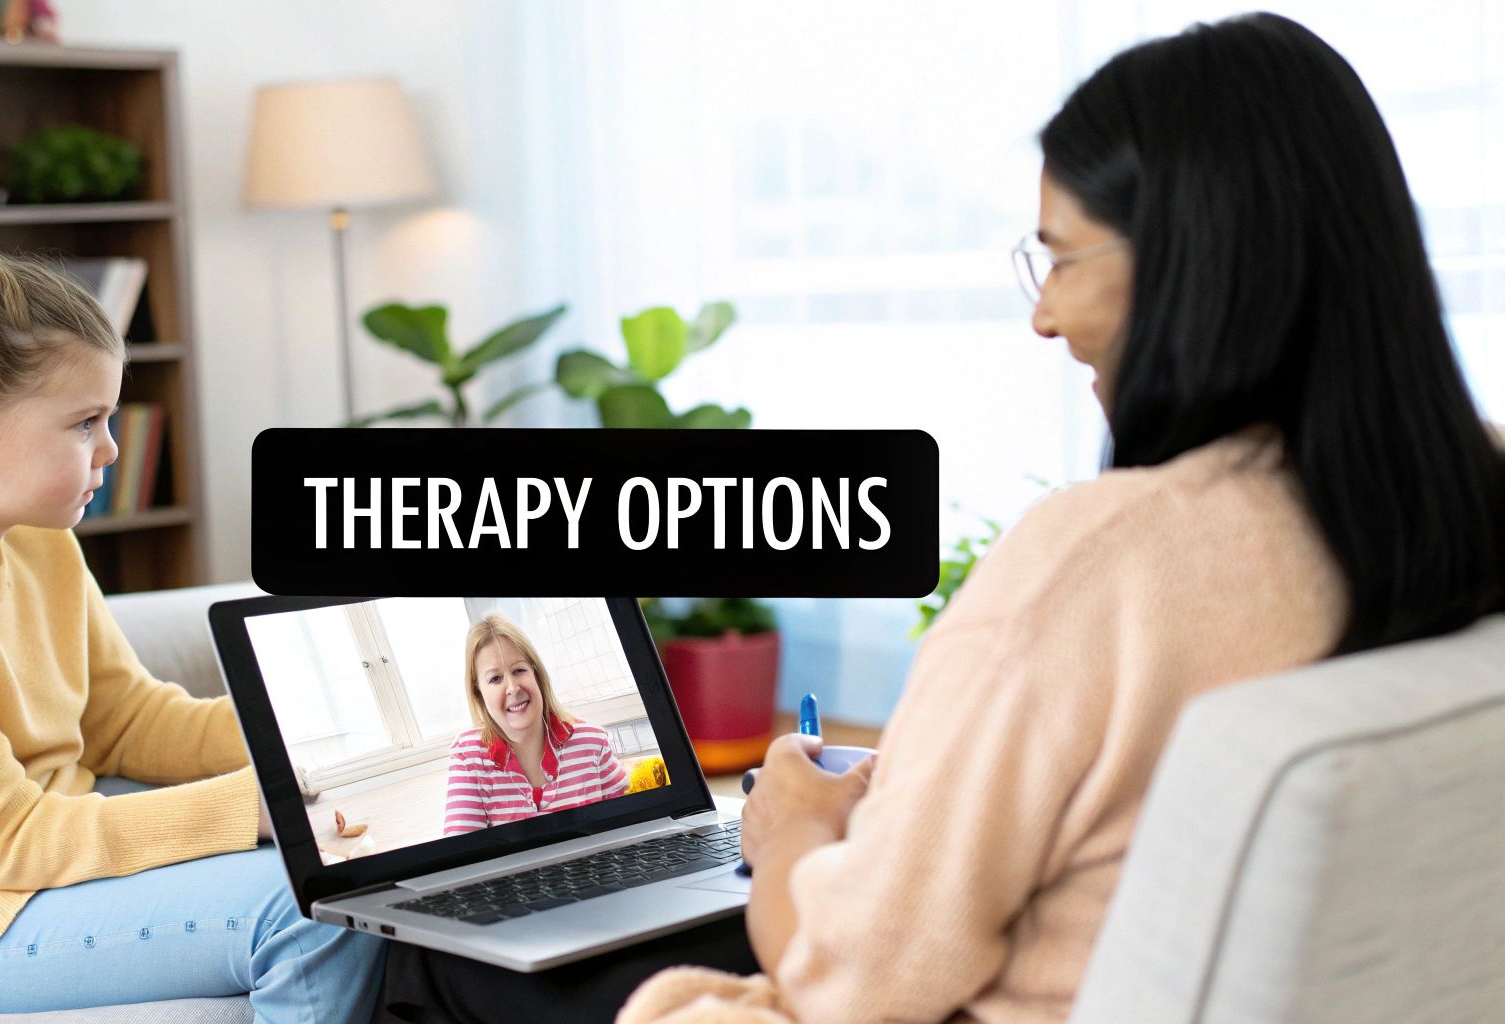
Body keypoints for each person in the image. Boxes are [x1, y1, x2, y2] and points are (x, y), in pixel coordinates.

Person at [610, 12, 1505, 1024]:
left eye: (1063, 259)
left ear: (1189, 264)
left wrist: (790, 838)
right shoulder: (1464, 494)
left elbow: (847, 975)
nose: (1041, 315)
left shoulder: (1100, 560)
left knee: (441, 974)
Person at [0, 235, 385, 1021]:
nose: (112, 449)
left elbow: (125, 721)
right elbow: (9, 839)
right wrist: (254, 807)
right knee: (308, 904)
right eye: (86, 423)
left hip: (30, 853)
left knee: (364, 853)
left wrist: (315, 738)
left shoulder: (37, 538)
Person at [441, 612, 629, 835]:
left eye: (519, 670)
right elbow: (463, 855)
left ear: (536, 674)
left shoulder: (593, 743)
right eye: (495, 679)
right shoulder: (468, 755)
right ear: (479, 692)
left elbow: (625, 832)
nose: (512, 687)